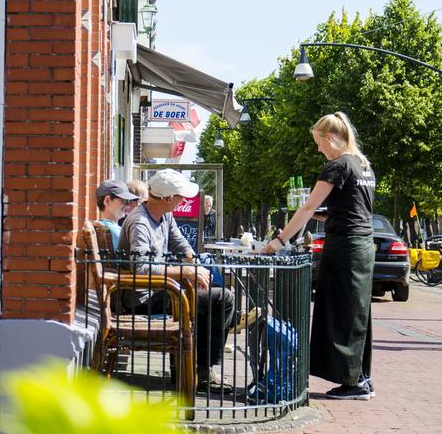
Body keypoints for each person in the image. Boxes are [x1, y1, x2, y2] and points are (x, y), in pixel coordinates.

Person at [263, 111, 376, 401]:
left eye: (319, 142)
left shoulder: (337, 166)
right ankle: (361, 377)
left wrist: (278, 241)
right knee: (357, 312)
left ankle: (353, 383)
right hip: (364, 245)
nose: (319, 149)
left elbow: (307, 208)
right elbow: (352, 211)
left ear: (330, 138)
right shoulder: (363, 165)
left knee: (338, 310)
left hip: (344, 247)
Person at [118, 169, 235, 390]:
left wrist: (196, 266)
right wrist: (186, 273)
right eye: (181, 196)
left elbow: (181, 244)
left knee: (212, 297)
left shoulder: (164, 215)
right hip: (142, 299)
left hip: (162, 290)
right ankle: (201, 370)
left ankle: (194, 369)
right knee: (223, 300)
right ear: (169, 198)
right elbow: (140, 268)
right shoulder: (140, 222)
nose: (185, 200)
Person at [95, 179, 139, 250]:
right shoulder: (114, 230)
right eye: (123, 201)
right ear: (107, 201)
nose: (127, 205)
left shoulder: (99, 225)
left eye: (127, 201)